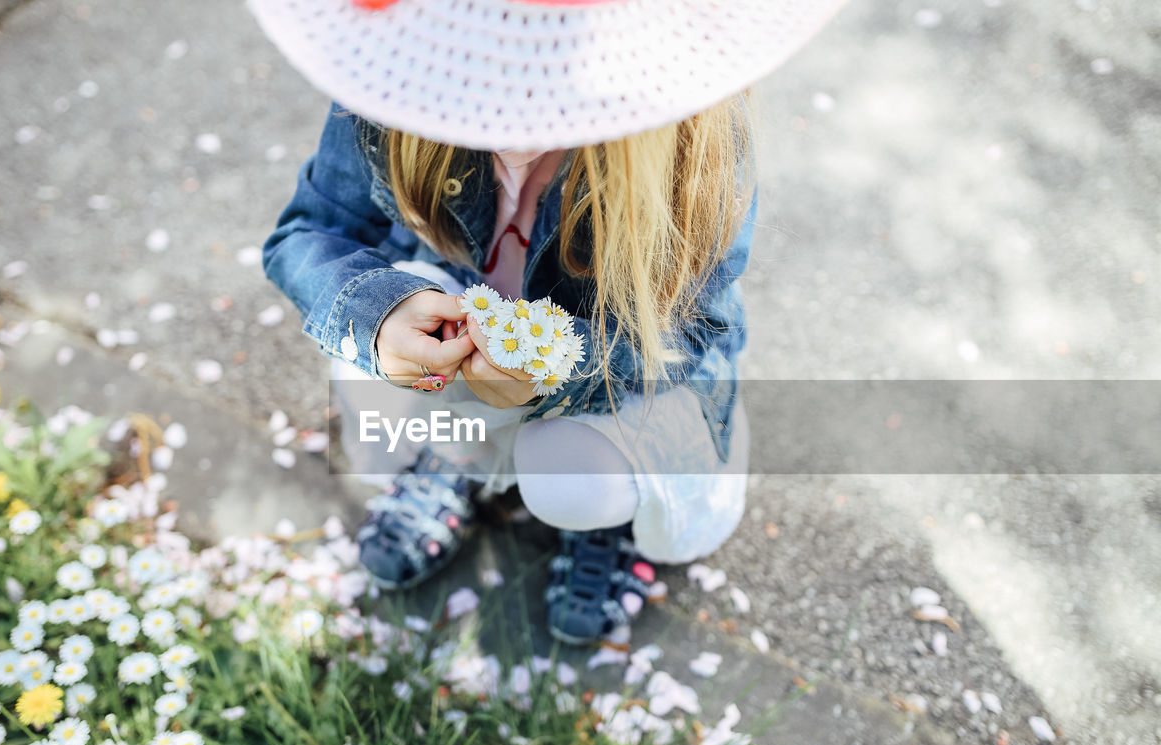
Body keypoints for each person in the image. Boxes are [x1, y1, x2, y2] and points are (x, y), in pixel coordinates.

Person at [251, 0, 847, 644]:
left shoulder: (690, 129)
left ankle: (602, 525)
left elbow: (689, 330)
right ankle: (461, 456)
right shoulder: (393, 83)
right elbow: (310, 232)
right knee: (394, 375)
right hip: (459, 322)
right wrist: (376, 315)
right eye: (488, 44)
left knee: (571, 481)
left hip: (617, 369)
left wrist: (555, 368)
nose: (511, 95)